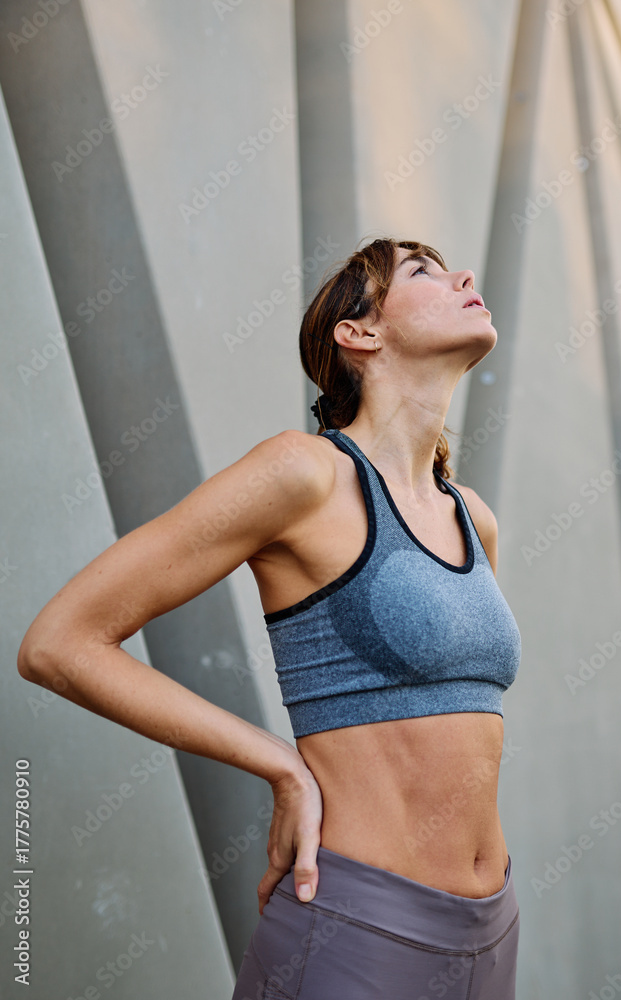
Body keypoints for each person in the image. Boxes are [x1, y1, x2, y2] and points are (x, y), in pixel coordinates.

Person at [17, 236, 522, 999]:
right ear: (361, 334)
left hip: (493, 929)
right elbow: (59, 643)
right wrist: (281, 765)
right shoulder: (304, 474)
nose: (464, 275)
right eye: (422, 271)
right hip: (358, 927)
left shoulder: (472, 518)